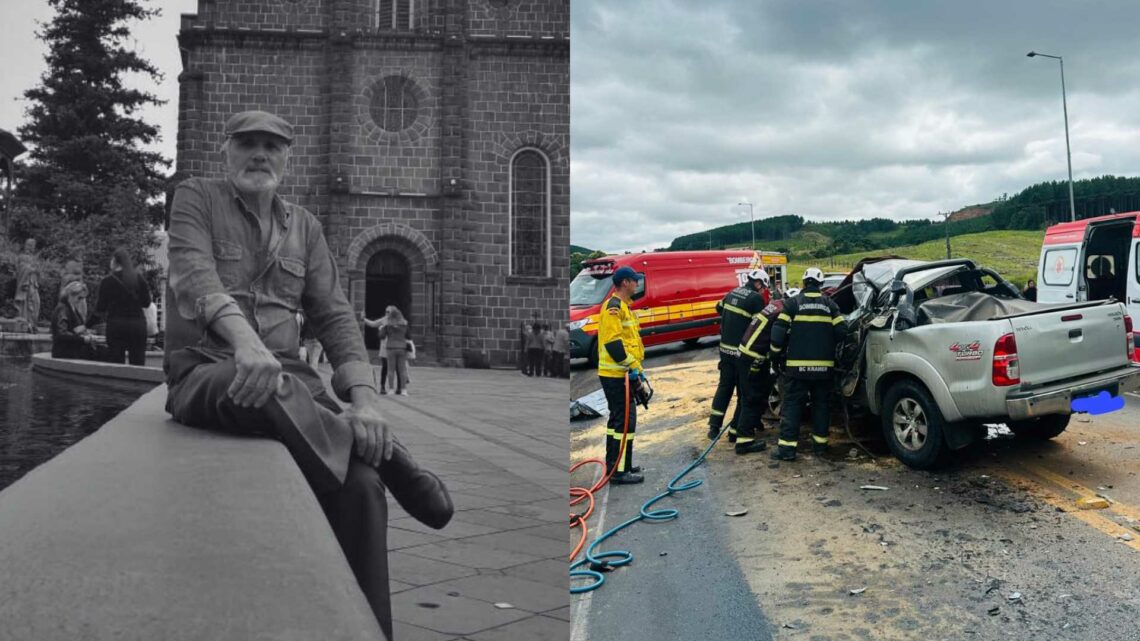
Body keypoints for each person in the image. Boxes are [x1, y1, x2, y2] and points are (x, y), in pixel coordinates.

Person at [164, 110, 451, 639]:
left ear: (288, 158)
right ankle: (396, 462)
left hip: (294, 382)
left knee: (361, 489)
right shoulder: (196, 197)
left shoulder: (306, 227)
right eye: (247, 143)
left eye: (272, 146)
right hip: (206, 369)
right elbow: (193, 274)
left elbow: (336, 316)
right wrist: (246, 343)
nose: (260, 154)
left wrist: (365, 401)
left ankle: (368, 630)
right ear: (227, 150)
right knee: (266, 382)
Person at [769, 267, 847, 461]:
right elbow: (842, 332)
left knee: (793, 406)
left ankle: (787, 450)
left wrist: (775, 357)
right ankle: (820, 447)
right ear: (820, 285)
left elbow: (778, 332)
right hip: (824, 369)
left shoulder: (792, 303)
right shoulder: (830, 305)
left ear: (804, 283)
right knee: (821, 406)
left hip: (797, 369)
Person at [707, 268, 770, 454]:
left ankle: (714, 426)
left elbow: (718, 307)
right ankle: (736, 433)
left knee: (725, 386)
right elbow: (759, 326)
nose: (763, 291)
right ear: (758, 283)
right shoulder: (755, 299)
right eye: (763, 287)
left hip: (724, 350)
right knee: (744, 392)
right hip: (741, 354)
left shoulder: (731, 292)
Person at [598, 265, 648, 484]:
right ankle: (619, 472)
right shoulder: (614, 306)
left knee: (619, 421)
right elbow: (613, 344)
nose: (637, 284)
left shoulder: (625, 307)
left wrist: (636, 369)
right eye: (635, 280)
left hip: (620, 373)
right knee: (624, 424)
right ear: (625, 282)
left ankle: (619, 465)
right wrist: (632, 366)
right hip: (616, 374)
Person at [95, 248, 152, 366]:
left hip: (116, 325)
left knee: (116, 363)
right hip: (137, 325)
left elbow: (100, 308)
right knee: (138, 363)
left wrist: (86, 325)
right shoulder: (138, 278)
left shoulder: (107, 281)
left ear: (115, 261)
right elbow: (146, 303)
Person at [51, 281, 98, 360]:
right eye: (79, 298)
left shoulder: (71, 308)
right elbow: (62, 333)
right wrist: (83, 339)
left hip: (72, 348)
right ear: (71, 294)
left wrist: (85, 332)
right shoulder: (63, 309)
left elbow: (73, 329)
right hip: (66, 351)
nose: (81, 301)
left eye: (83, 298)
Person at [378, 306, 412, 396]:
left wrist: (382, 328)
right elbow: (408, 336)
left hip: (391, 348)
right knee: (402, 370)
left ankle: (391, 389)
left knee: (391, 370)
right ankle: (403, 390)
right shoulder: (404, 324)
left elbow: (381, 336)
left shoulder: (388, 325)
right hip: (402, 348)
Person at [14, 238, 40, 333]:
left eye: (34, 246)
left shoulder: (33, 258)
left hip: (33, 284)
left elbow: (37, 270)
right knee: (27, 304)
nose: (33, 248)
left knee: (36, 303)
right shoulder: (22, 257)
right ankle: (26, 324)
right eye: (31, 245)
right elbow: (21, 269)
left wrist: (37, 270)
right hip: (26, 284)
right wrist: (30, 269)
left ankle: (33, 323)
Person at [363, 309, 391, 394]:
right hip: (385, 348)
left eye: (389, 312)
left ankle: (398, 388)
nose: (387, 313)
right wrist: (363, 319)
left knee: (394, 368)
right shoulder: (384, 320)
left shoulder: (397, 320)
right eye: (386, 312)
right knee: (385, 367)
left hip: (393, 347)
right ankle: (383, 386)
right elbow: (373, 324)